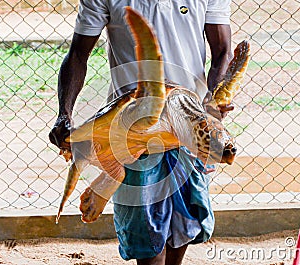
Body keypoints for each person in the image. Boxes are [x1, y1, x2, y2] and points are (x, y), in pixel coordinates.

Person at [49, 1, 234, 264]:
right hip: (133, 127)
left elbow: (224, 50)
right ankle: (112, 170)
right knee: (146, 239)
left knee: (184, 227)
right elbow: (78, 54)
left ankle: (110, 176)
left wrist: (213, 100)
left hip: (190, 119)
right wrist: (64, 114)